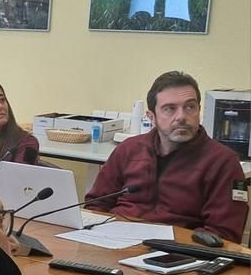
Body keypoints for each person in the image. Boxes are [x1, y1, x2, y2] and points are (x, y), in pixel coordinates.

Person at [86, 71, 248, 241]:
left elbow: (224, 233)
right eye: (170, 109)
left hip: (178, 252)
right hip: (114, 242)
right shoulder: (129, 149)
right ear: (151, 117)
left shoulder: (223, 162)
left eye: (190, 107)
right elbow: (96, 205)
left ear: (199, 111)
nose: (182, 117)